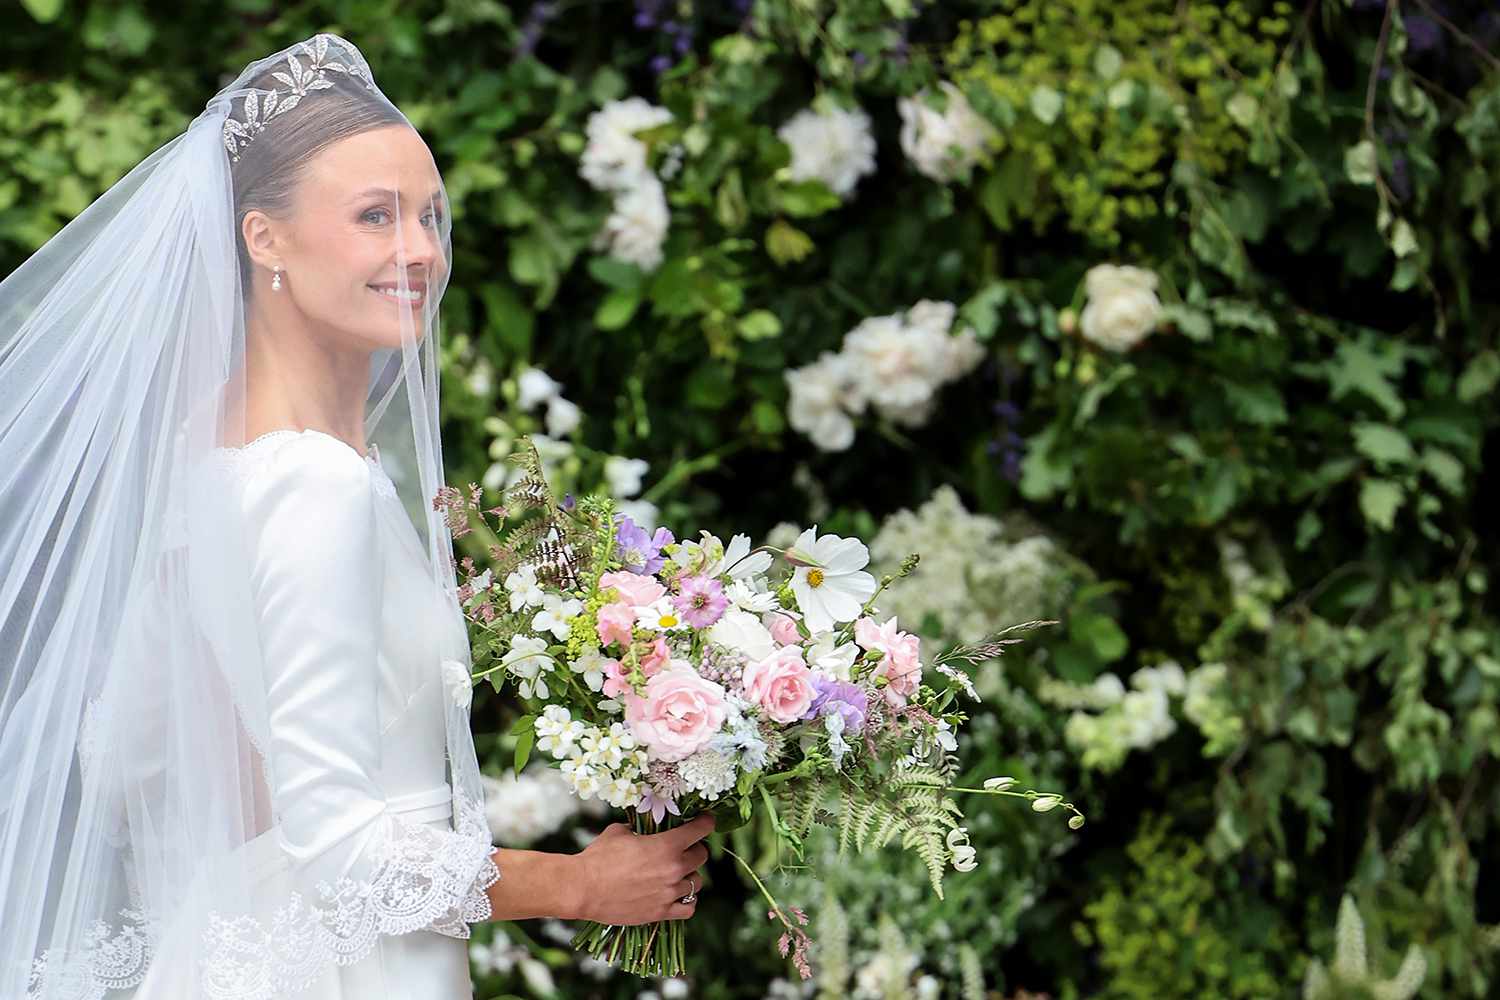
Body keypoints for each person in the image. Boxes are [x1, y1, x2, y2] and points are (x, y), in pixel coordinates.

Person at [0, 32, 712, 999]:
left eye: (427, 213)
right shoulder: (312, 487)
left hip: (249, 940)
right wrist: (582, 884)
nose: (418, 249)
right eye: (374, 216)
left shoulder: (211, 455)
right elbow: (345, 852)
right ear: (264, 238)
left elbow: (127, 752)